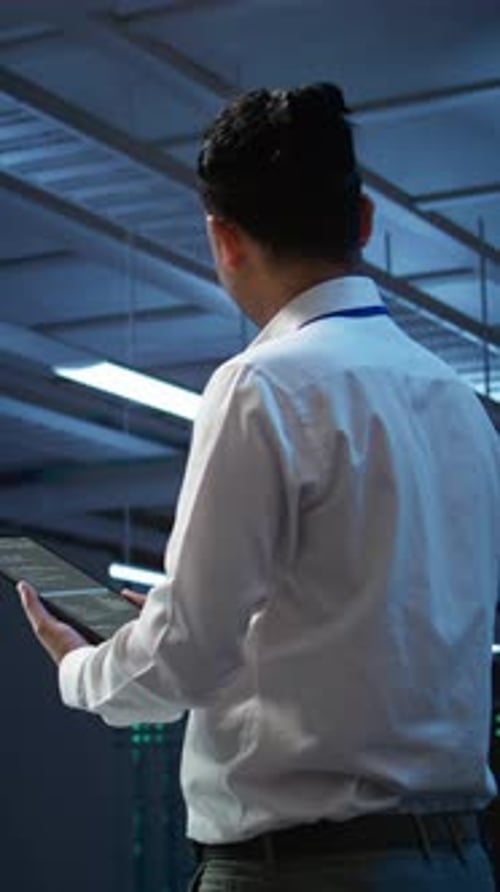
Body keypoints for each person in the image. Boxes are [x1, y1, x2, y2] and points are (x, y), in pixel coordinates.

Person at [18, 83, 499, 892]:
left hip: (304, 873)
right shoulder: (463, 405)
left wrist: (83, 668)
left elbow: (185, 659)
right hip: (459, 864)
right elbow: (378, 632)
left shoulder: (261, 387)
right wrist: (223, 635)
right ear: (366, 220)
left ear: (223, 239)